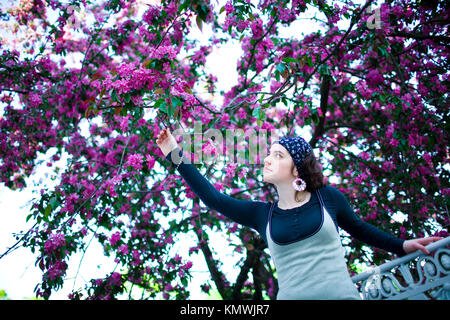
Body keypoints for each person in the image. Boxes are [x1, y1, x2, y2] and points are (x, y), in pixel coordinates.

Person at [156, 128, 443, 300]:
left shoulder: (328, 199)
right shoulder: (261, 215)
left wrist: (403, 245)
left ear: (297, 168)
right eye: (269, 153)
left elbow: (360, 230)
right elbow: (213, 197)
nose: (268, 158)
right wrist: (174, 154)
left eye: (278, 155)